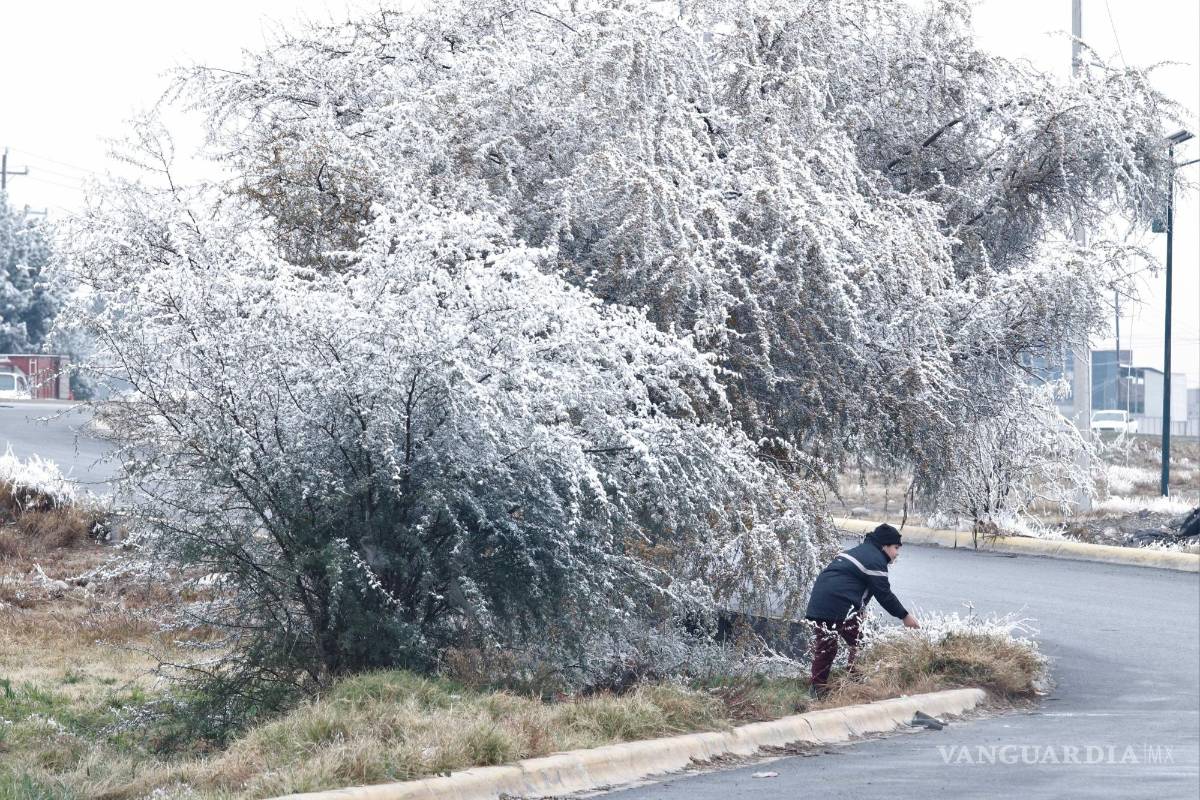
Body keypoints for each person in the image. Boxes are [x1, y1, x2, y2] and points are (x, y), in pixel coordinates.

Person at [804, 523, 919, 695]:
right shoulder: (875, 560)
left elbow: (857, 585)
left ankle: (818, 688)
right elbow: (884, 594)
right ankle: (855, 682)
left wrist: (860, 611)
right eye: (896, 548)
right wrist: (904, 616)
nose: (897, 553)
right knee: (859, 644)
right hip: (838, 604)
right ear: (884, 546)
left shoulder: (859, 552)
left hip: (818, 603)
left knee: (827, 647)